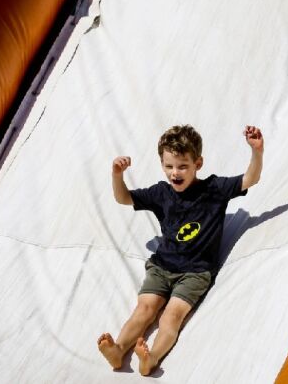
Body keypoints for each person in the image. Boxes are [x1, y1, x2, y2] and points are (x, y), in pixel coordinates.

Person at [97, 124, 264, 375]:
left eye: (183, 166)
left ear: (198, 163)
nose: (175, 173)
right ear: (162, 164)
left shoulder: (213, 189)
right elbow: (123, 198)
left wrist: (257, 151)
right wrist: (117, 175)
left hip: (196, 272)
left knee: (171, 316)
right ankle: (119, 349)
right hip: (163, 266)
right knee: (144, 309)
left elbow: (251, 178)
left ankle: (151, 358)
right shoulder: (160, 193)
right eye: (169, 166)